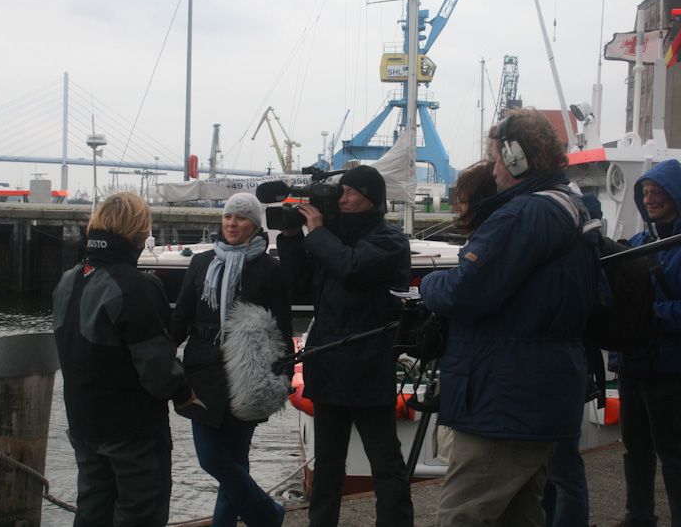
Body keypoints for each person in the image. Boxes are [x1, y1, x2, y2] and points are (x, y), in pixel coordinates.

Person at [419, 108, 600, 526]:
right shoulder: (568, 206)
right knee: (519, 515)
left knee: (462, 515)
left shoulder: (524, 215)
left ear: (516, 159)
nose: (494, 169)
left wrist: (429, 286)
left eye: (496, 158)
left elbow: (464, 291)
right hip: (537, 393)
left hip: (504, 400)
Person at [276, 165, 414, 527]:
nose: (343, 198)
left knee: (385, 462)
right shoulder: (331, 237)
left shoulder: (389, 239)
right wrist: (291, 238)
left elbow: (351, 267)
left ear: (372, 200)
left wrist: (318, 233)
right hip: (327, 360)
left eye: (352, 192)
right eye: (342, 191)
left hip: (369, 362)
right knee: (327, 463)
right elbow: (300, 286)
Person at [52, 192, 194, 527]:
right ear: (139, 231)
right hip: (132, 431)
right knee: (141, 511)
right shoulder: (137, 286)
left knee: (92, 509)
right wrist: (185, 392)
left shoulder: (68, 280)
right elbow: (157, 369)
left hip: (84, 422)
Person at [171, 192, 291, 527]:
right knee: (211, 458)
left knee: (236, 459)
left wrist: (283, 373)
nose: (232, 223)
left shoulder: (269, 269)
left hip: (249, 374)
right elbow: (181, 317)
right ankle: (268, 515)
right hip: (203, 371)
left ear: (254, 224)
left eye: (240, 218)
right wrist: (161, 355)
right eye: (227, 217)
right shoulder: (201, 263)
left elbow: (280, 327)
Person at [616, 158, 681, 527]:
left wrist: (651, 314)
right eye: (645, 193)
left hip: (669, 368)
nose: (650, 199)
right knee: (635, 449)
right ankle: (638, 516)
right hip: (633, 363)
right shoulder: (639, 243)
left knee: (674, 453)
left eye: (658, 192)